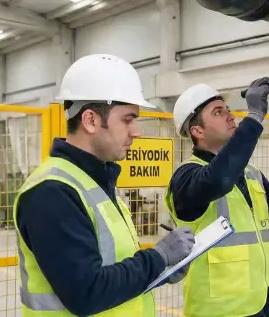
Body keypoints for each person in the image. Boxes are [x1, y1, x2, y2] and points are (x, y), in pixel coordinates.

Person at [13, 54, 196, 316]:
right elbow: (87, 292)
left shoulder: (96, 182)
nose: (137, 131)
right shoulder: (51, 192)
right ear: (90, 120)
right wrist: (158, 257)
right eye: (127, 120)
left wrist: (163, 269)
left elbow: (114, 269)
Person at [163, 77, 269, 317]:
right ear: (197, 131)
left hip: (259, 304)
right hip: (217, 311)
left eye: (227, 109)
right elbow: (219, 179)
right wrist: (254, 117)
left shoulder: (249, 173)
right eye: (218, 112)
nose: (230, 116)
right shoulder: (185, 177)